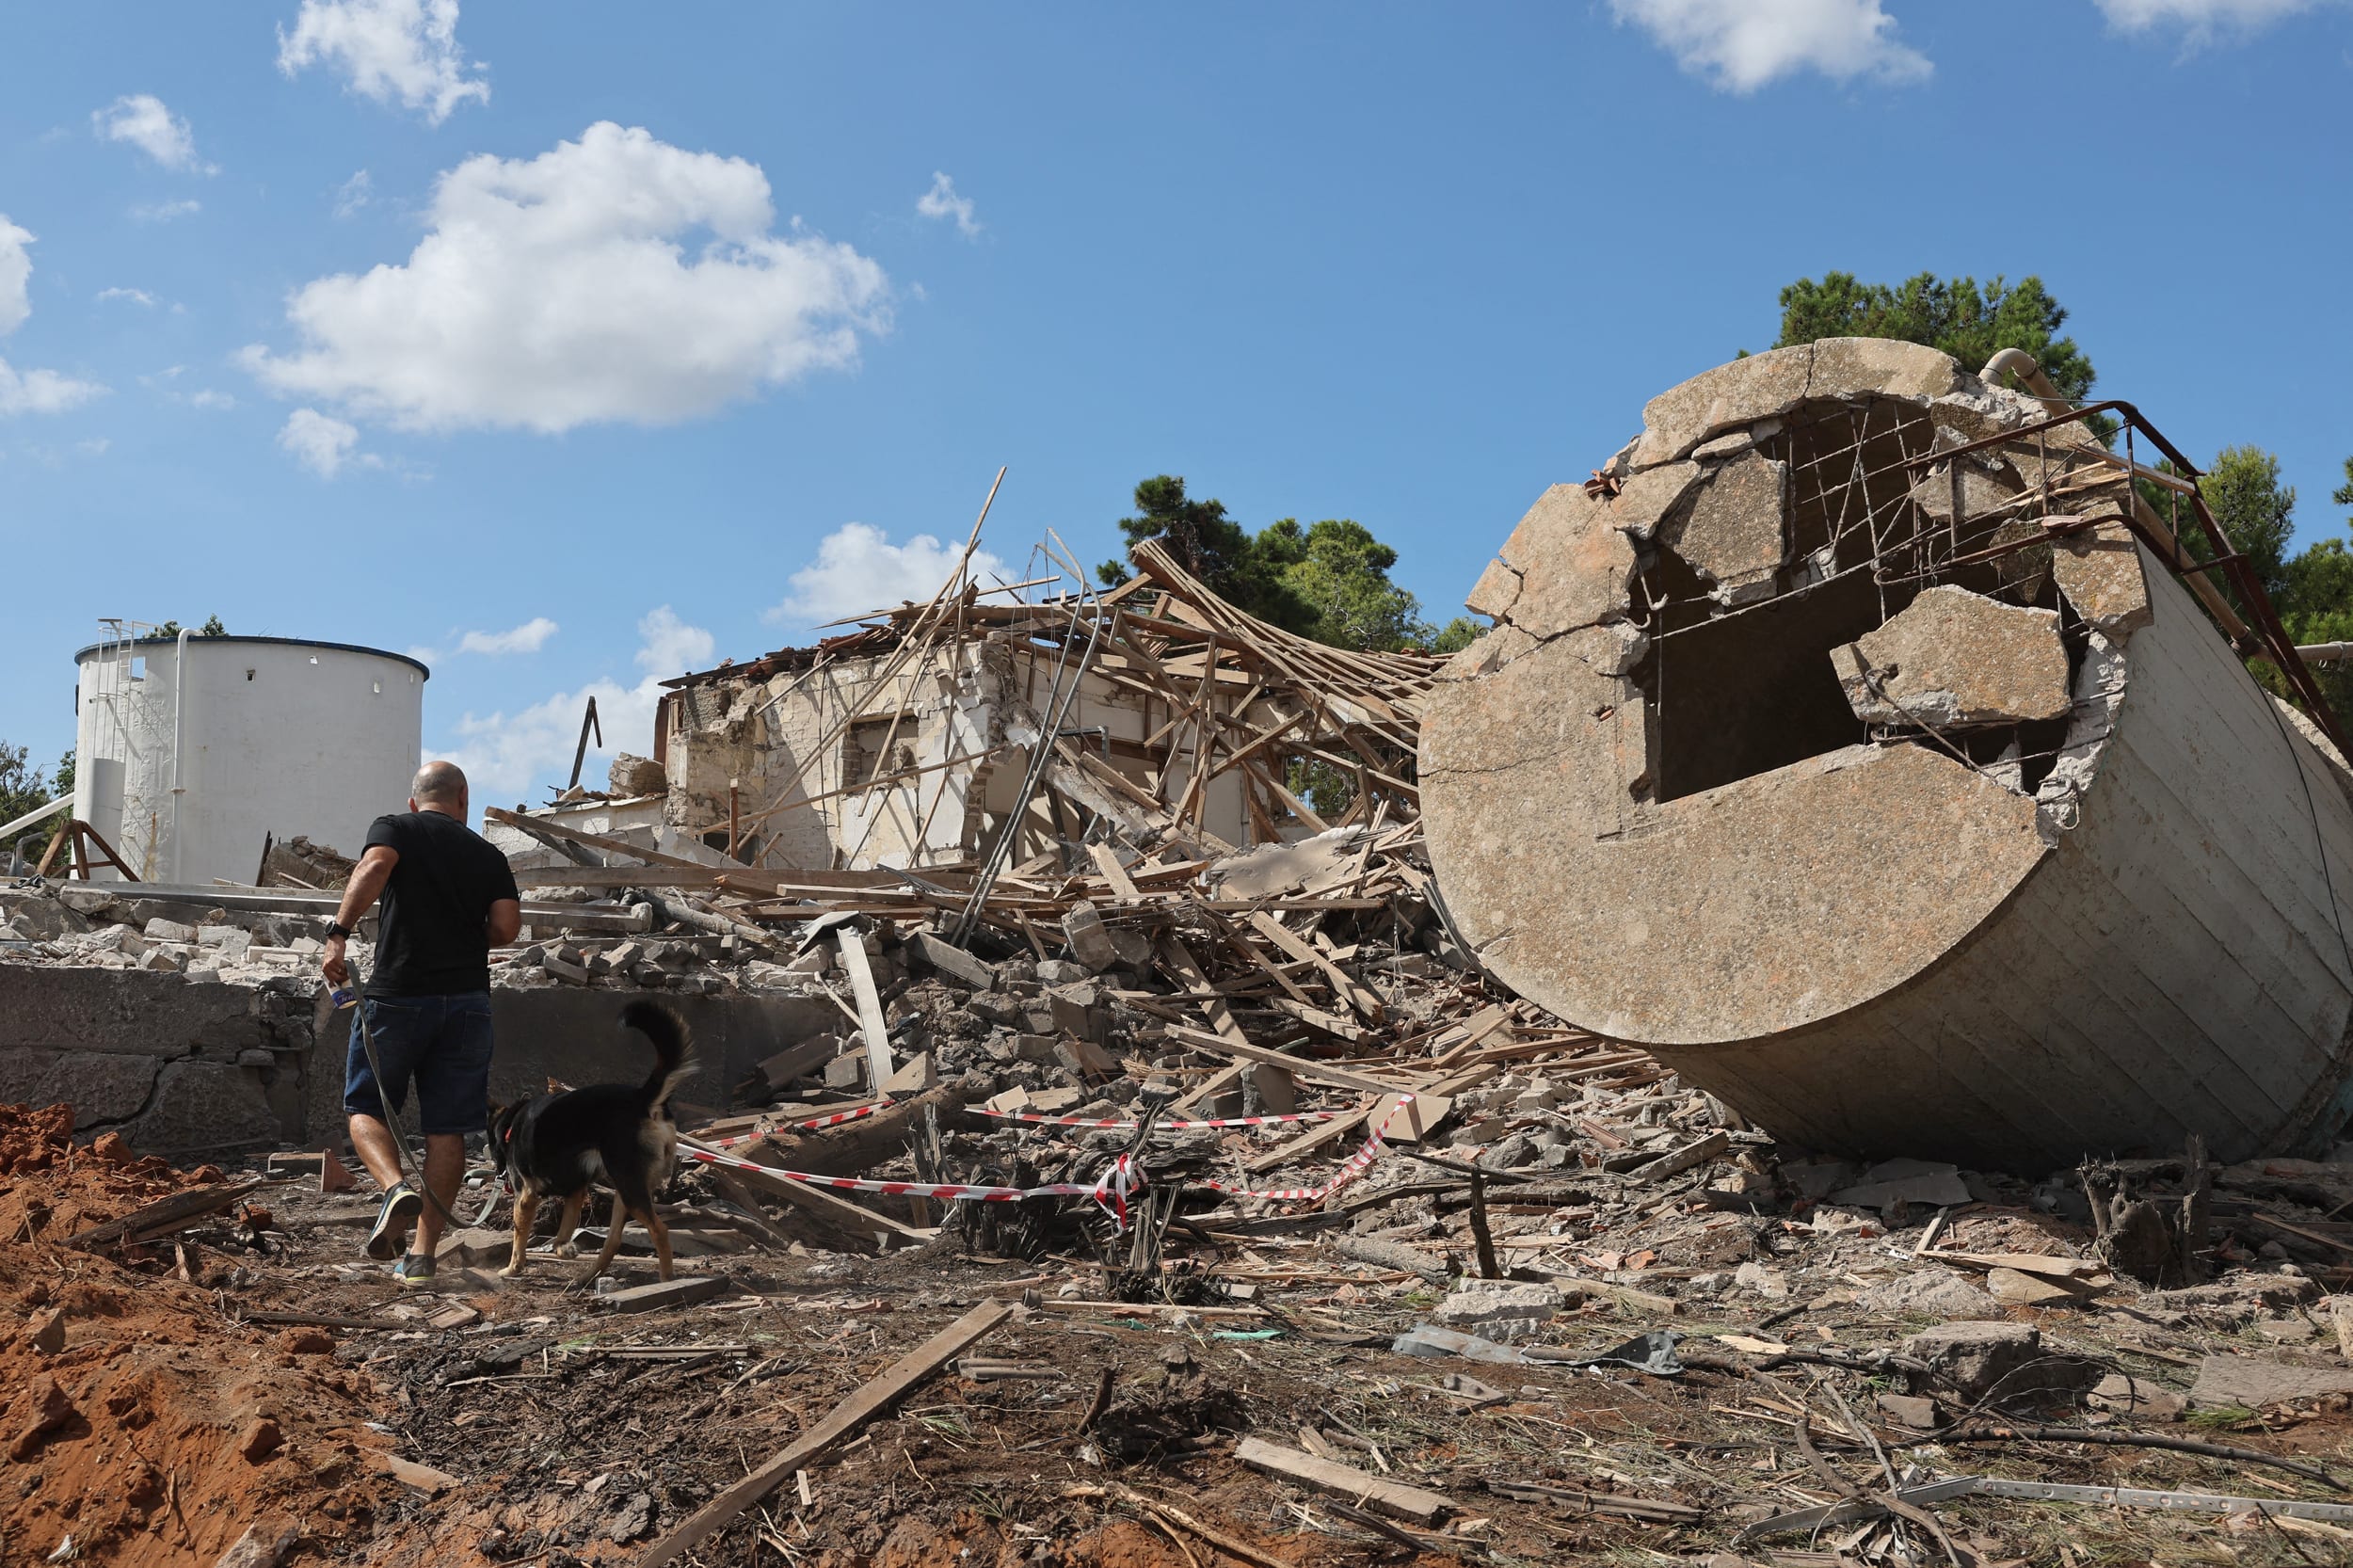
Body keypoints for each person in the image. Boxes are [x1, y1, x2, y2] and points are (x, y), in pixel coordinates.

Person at [321, 760, 521, 1285]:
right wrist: (462, 935)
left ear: (415, 802)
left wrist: (338, 932)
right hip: (467, 1004)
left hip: (397, 999)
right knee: (447, 1129)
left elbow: (374, 868)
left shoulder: (396, 827)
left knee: (365, 1106)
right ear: (464, 799)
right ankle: (422, 1256)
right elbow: (506, 928)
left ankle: (394, 1189)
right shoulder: (489, 854)